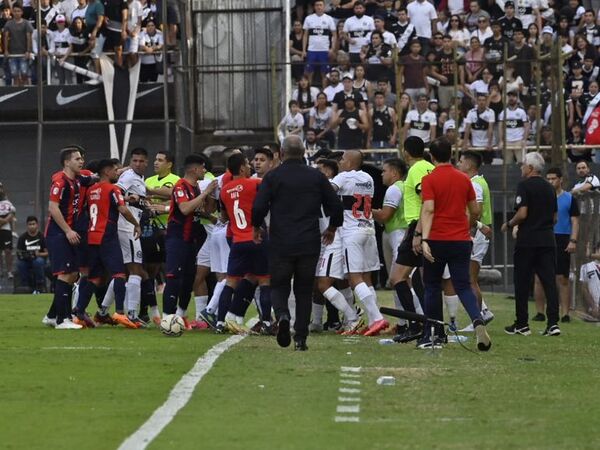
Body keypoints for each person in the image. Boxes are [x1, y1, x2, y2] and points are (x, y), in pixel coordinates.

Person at [252, 135, 343, 351]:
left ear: (281, 154)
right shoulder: (316, 176)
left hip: (281, 240)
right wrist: (332, 228)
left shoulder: (273, 177)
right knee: (304, 289)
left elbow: (259, 207)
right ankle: (300, 336)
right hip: (308, 240)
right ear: (304, 153)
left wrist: (256, 227)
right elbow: (335, 206)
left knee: (279, 284)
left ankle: (282, 314)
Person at [417, 137, 492, 351]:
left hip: (437, 238)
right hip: (461, 240)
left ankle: (433, 334)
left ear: (431, 156)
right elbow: (476, 211)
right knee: (463, 285)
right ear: (451, 154)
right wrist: (466, 228)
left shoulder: (429, 179)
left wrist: (424, 239)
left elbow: (429, 209)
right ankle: (477, 319)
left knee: (431, 285)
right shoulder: (464, 179)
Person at [72, 159, 141, 328]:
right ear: (107, 171)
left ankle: (79, 311)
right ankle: (119, 312)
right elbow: (123, 209)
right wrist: (136, 224)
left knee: (94, 277)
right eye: (115, 170)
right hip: (107, 237)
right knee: (119, 274)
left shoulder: (92, 190)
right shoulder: (113, 189)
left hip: (92, 236)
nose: (117, 173)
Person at [330, 150, 389, 336]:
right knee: (367, 277)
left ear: (349, 163)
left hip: (351, 231)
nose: (340, 161)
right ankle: (373, 321)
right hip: (368, 229)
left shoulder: (343, 177)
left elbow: (328, 191)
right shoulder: (368, 178)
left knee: (354, 278)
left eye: (343, 159)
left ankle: (377, 317)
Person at [502, 152, 561, 337]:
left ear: (530, 168)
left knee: (522, 281)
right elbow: (554, 217)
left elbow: (522, 213)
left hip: (527, 240)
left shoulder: (524, 186)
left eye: (523, 165)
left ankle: (522, 324)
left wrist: (509, 224)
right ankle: (553, 323)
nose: (521, 168)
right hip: (547, 239)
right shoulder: (550, 188)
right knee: (549, 281)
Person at [215, 153, 271, 334]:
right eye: (247, 164)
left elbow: (224, 217)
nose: (250, 166)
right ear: (241, 168)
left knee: (230, 282)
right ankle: (268, 323)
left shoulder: (224, 190)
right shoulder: (254, 183)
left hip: (237, 241)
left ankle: (220, 322)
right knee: (264, 281)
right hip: (257, 238)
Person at [44, 146, 95, 329]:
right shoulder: (60, 181)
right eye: (77, 159)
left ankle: (52, 316)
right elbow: (53, 208)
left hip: (67, 233)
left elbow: (96, 177)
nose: (81, 161)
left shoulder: (79, 179)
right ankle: (62, 320)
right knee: (65, 274)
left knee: (73, 274)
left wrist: (122, 169)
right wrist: (67, 230)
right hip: (58, 233)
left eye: (81, 158)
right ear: (67, 162)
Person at [389, 136, 433, 343]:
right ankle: (430, 324)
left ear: (406, 151)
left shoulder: (416, 169)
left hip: (419, 225)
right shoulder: (429, 167)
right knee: (420, 279)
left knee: (397, 277)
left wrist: (416, 232)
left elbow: (425, 197)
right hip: (426, 225)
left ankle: (416, 324)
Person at [162, 154, 216, 318]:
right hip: (177, 238)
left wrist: (210, 198)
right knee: (173, 277)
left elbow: (203, 211)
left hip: (191, 239)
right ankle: (168, 317)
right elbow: (185, 209)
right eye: (203, 168)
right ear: (194, 169)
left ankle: (181, 314)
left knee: (189, 278)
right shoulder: (181, 186)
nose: (205, 171)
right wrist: (205, 192)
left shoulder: (196, 187)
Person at [534, 167, 579, 323]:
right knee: (539, 277)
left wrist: (573, 240)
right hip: (544, 236)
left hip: (562, 238)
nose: (551, 181)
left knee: (562, 278)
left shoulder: (570, 198)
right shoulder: (542, 197)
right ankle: (540, 312)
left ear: (560, 179)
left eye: (553, 178)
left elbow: (574, 221)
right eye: (549, 178)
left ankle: (565, 313)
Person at [456, 151, 495, 331]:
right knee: (467, 277)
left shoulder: (475, 185)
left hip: (477, 233)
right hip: (477, 231)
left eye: (461, 161)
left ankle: (477, 319)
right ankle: (483, 312)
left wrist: (477, 226)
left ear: (469, 165)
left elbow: (476, 211)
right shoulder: (476, 182)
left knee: (470, 278)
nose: (458, 163)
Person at [116, 148, 153, 326]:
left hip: (130, 227)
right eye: (135, 161)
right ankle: (131, 314)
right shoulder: (129, 176)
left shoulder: (139, 178)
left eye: (141, 161)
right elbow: (116, 193)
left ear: (146, 162)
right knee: (136, 269)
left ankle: (107, 311)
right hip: (126, 227)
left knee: (124, 271)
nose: (138, 164)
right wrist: (127, 198)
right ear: (131, 161)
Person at [140, 150, 178, 321]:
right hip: (151, 230)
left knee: (172, 271)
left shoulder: (176, 180)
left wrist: (151, 194)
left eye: (160, 160)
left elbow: (171, 195)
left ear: (169, 164)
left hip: (170, 230)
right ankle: (151, 311)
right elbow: (145, 199)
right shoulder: (149, 179)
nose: (156, 163)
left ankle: (173, 312)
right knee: (149, 271)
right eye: (155, 159)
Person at [372, 158, 409, 333]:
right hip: (396, 233)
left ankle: (410, 321)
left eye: (384, 170)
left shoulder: (394, 189)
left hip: (397, 234)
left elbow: (385, 215)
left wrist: (366, 209)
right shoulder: (401, 187)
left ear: (394, 173)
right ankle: (403, 322)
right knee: (399, 281)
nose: (381, 173)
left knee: (399, 279)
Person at [302, 0, 336, 84]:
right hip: (311, 50)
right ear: (314, 7)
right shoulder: (308, 18)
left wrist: (332, 48)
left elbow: (335, 35)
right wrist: (303, 50)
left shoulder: (329, 19)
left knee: (324, 73)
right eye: (317, 5)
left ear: (324, 6)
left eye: (320, 5)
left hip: (324, 50)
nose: (319, 7)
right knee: (309, 72)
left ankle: (325, 93)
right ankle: (309, 93)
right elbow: (305, 35)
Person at [3, 4, 33, 86]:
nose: (16, 13)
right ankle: (16, 92)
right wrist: (6, 50)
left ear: (22, 12)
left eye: (18, 11)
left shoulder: (26, 23)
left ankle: (25, 91)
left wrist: (28, 51)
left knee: (24, 73)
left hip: (24, 54)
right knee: (14, 74)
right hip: (12, 54)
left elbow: (29, 37)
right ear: (12, 12)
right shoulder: (8, 24)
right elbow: (5, 37)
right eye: (15, 11)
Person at [16, 216, 48, 293]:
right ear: (27, 225)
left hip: (39, 259)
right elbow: (19, 252)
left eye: (33, 224)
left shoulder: (42, 237)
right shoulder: (23, 237)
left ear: (37, 225)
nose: (32, 226)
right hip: (26, 260)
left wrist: (39, 254)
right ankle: (25, 286)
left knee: (38, 262)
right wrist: (25, 255)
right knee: (20, 264)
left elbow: (47, 253)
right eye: (30, 224)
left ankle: (40, 285)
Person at [463, 92, 495, 163]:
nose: (481, 102)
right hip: (475, 144)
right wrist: (465, 143)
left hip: (486, 144)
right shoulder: (471, 112)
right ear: (477, 101)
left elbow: (490, 128)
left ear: (486, 101)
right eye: (480, 100)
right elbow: (467, 128)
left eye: (483, 100)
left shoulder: (490, 112)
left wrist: (489, 143)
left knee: (488, 164)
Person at [498, 91, 529, 163]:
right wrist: (501, 141)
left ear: (517, 98)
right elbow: (500, 127)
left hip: (519, 141)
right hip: (507, 141)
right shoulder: (503, 112)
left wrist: (524, 139)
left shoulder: (522, 112)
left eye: (513, 96)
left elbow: (527, 126)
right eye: (509, 96)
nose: (511, 98)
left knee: (522, 162)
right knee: (507, 163)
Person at [0, 183, 15, 279]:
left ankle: (9, 271)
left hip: (6, 229)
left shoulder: (7, 202)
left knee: (8, 250)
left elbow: (12, 212)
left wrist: (4, 220)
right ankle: (0, 271)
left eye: (0, 187)